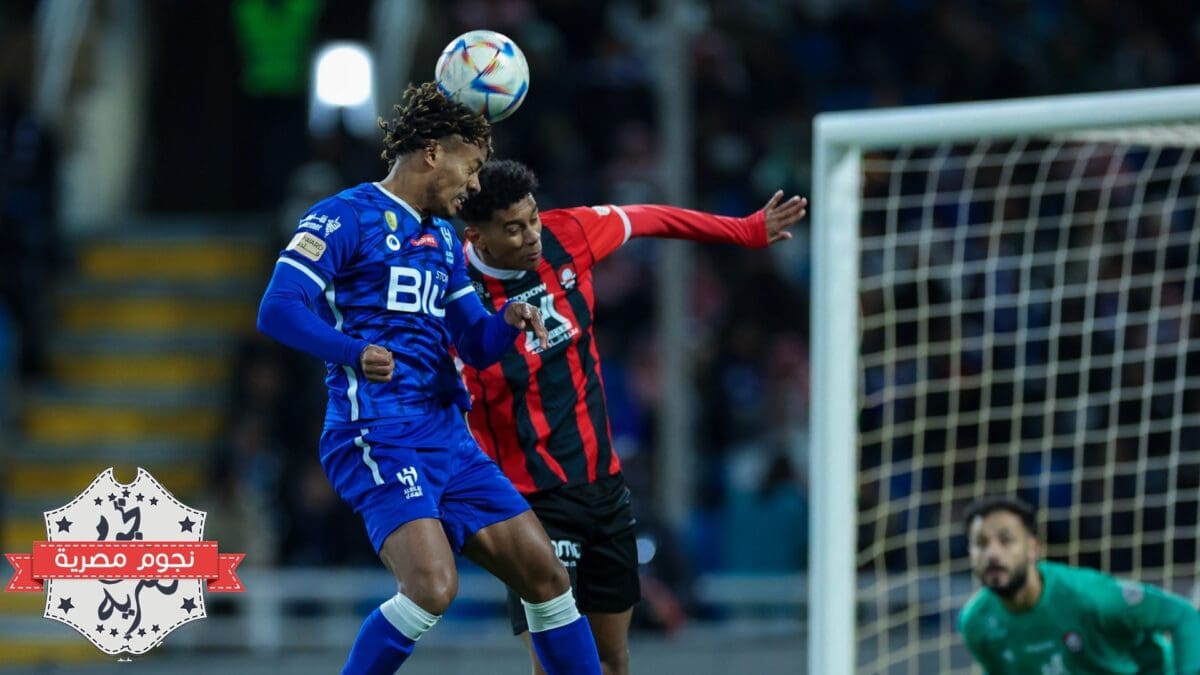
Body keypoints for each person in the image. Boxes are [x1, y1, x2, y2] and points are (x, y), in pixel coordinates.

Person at [256, 84, 602, 675]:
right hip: (377, 432)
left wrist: (509, 320)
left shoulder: (444, 238)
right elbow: (278, 308)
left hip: (448, 434)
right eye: (471, 167)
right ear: (433, 154)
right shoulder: (344, 216)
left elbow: (474, 342)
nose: (475, 186)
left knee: (547, 575)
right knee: (432, 586)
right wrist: (353, 349)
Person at [457, 159, 807, 675]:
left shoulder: (568, 233)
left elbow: (649, 217)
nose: (533, 235)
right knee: (556, 663)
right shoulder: (453, 291)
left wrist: (745, 230)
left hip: (603, 489)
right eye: (514, 228)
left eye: (533, 218)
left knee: (612, 658)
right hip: (529, 504)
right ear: (478, 237)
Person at [959, 495, 1200, 674]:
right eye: (981, 543)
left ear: (1032, 548)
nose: (992, 553)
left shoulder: (1090, 596)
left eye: (1006, 540)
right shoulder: (976, 623)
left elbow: (1184, 617)